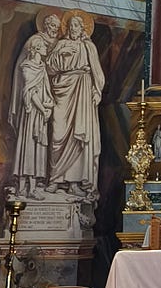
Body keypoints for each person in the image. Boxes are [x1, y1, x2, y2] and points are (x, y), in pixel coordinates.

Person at [46, 13, 104, 192]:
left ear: (82, 28)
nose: (72, 29)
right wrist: (60, 54)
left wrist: (97, 91)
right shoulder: (61, 44)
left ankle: (74, 183)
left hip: (83, 90)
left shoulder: (88, 46)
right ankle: (55, 179)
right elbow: (49, 67)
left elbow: (97, 71)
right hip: (63, 89)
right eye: (70, 26)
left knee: (79, 135)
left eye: (76, 26)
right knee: (58, 133)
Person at [9, 20, 56, 195]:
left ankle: (34, 186)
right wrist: (43, 109)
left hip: (41, 114)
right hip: (31, 114)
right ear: (36, 49)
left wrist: (49, 106)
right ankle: (22, 186)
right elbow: (30, 92)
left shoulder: (42, 68)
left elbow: (46, 92)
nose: (46, 48)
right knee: (28, 146)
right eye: (43, 46)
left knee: (39, 148)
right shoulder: (26, 67)